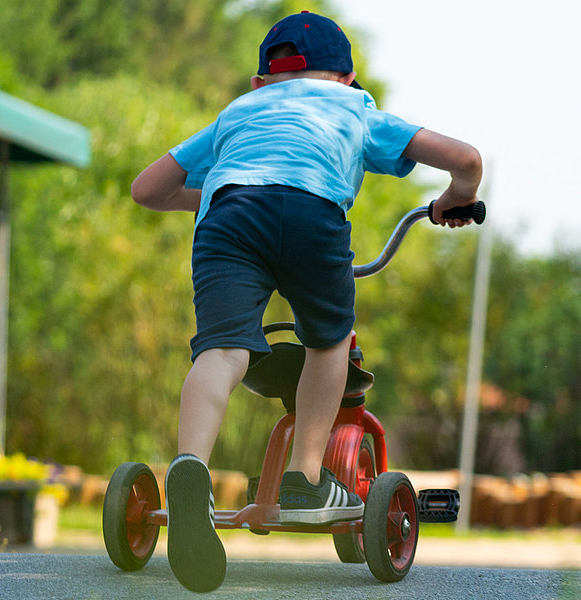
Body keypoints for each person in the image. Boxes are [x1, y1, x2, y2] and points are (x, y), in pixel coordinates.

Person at [131, 11, 482, 593]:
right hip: (312, 214)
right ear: (346, 78)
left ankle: (190, 467)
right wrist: (456, 197)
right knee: (328, 343)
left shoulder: (238, 112)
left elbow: (147, 189)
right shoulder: (353, 106)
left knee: (220, 352)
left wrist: (218, 189)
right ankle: (305, 476)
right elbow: (465, 159)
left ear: (259, 83)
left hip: (228, 218)